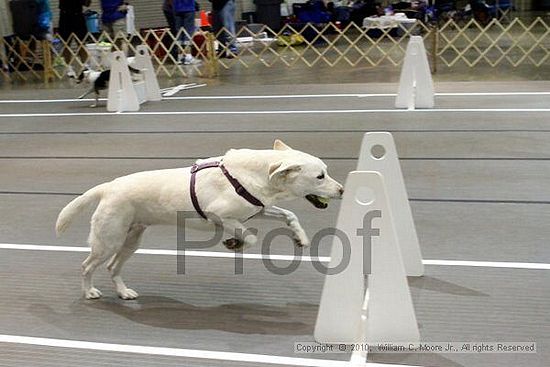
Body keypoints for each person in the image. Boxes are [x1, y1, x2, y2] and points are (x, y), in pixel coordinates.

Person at [58, 0, 91, 77]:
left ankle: (85, 65)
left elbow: (87, 4)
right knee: (66, 43)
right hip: (65, 16)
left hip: (78, 15)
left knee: (81, 42)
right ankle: (68, 67)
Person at [173, 0, 200, 64]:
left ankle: (180, 57)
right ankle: (188, 56)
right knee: (188, 32)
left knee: (179, 33)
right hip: (188, 8)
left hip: (176, 8)